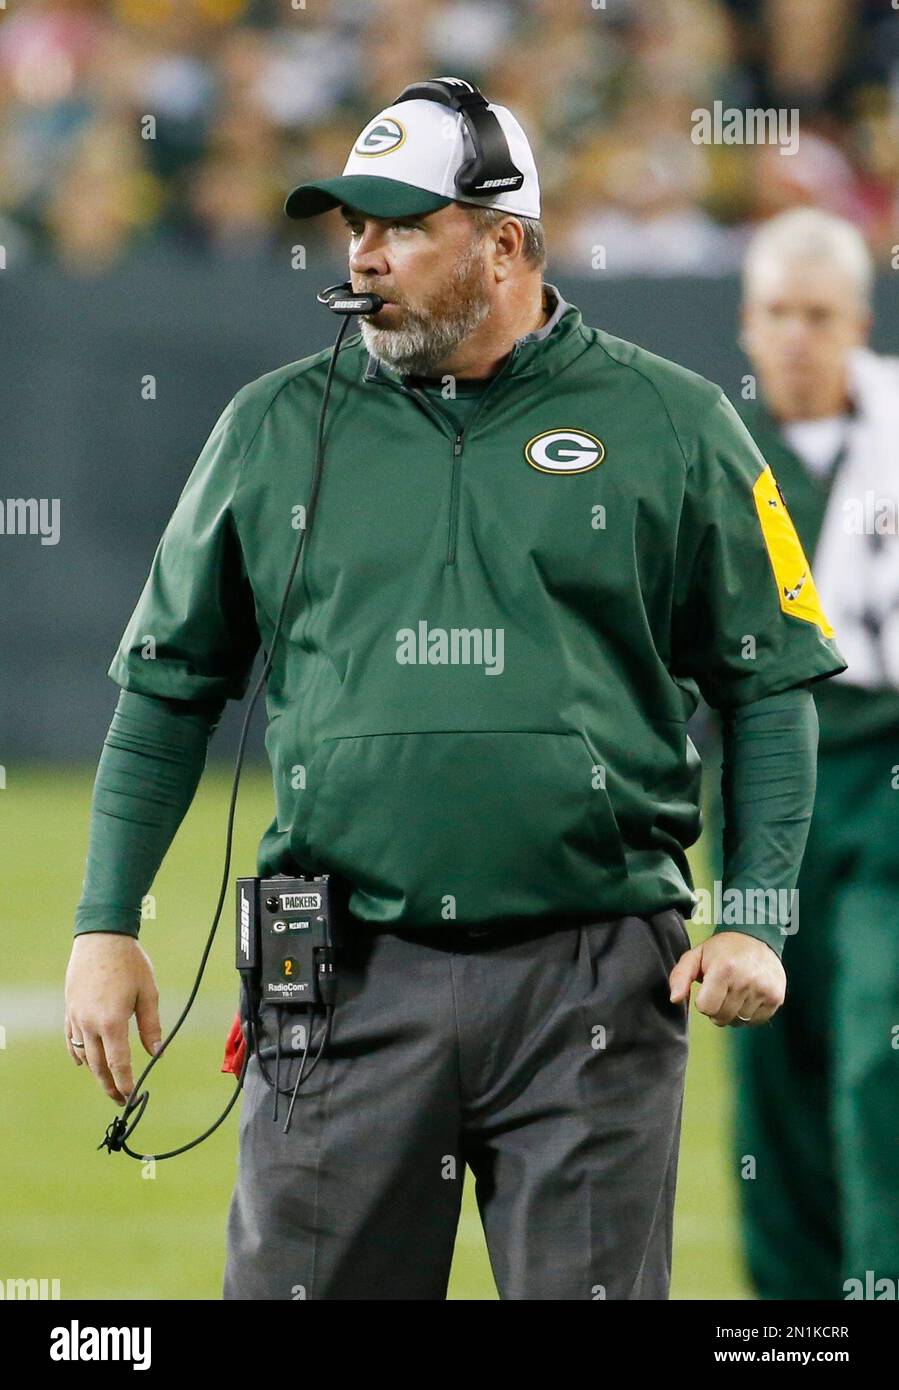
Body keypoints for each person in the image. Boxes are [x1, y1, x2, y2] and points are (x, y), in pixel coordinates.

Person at [67, 80, 845, 1301]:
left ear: (503, 243)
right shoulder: (270, 427)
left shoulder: (674, 423)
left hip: (592, 980)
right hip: (339, 974)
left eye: (397, 225)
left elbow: (770, 686)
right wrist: (105, 924)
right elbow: (166, 693)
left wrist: (754, 913)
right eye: (350, 229)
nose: (362, 256)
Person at [722, 207, 899, 1299]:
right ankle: (791, 1321)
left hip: (884, 784)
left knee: (876, 1055)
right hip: (759, 787)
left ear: (856, 324)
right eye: (776, 313)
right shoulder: (709, 456)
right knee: (768, 1071)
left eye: (817, 315)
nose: (794, 336)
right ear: (745, 324)